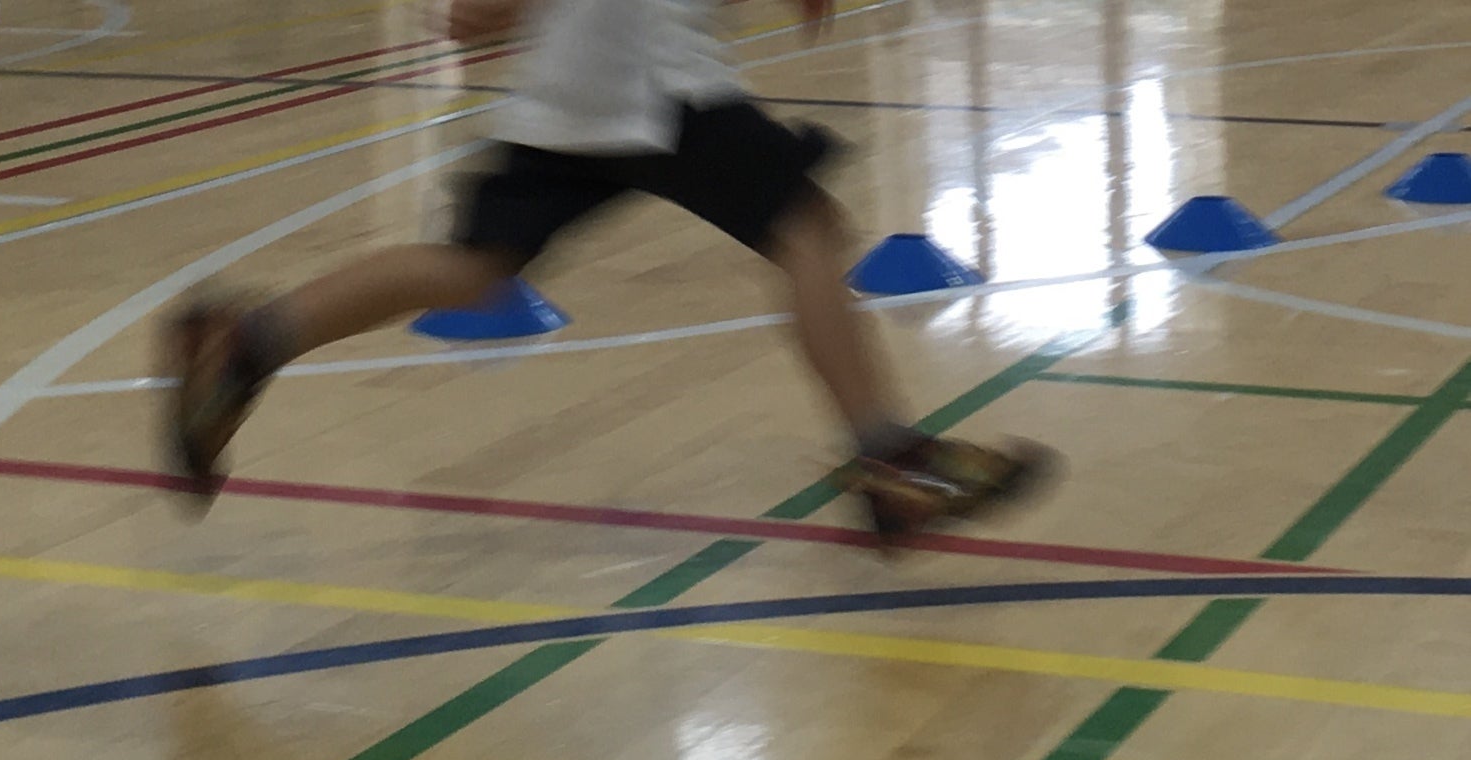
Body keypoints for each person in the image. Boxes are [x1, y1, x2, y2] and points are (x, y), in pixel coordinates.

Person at [162, 0, 1058, 546]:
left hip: (583, 83)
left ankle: (249, 342)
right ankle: (888, 458)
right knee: (804, 228)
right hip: (649, 78)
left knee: (477, 269)